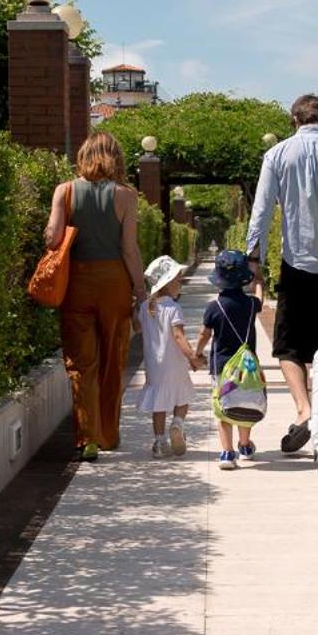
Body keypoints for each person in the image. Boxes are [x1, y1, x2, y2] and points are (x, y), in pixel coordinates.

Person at [246, 92, 318, 453]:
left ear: (294, 121)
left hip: (296, 262)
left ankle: (304, 410)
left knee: (289, 344)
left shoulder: (277, 154)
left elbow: (262, 209)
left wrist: (254, 260)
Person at [44, 132, 147, 460]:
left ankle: (86, 436)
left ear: (84, 155)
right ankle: (108, 434)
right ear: (116, 158)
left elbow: (52, 238)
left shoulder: (65, 191)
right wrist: (141, 291)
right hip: (114, 281)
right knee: (113, 359)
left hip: (77, 281)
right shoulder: (126, 196)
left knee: (81, 362)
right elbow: (129, 249)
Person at [195, 248, 264, 468]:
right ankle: (244, 445)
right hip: (247, 368)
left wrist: (198, 351)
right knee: (245, 403)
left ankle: (227, 452)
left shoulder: (213, 308)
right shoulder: (251, 305)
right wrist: (259, 282)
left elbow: (204, 334)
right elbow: (259, 298)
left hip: (222, 368)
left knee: (222, 407)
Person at [137, 255, 198, 457]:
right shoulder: (173, 308)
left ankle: (160, 442)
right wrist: (192, 357)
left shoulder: (145, 308)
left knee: (158, 404)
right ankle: (178, 425)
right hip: (175, 364)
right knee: (183, 397)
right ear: (167, 283)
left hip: (154, 365)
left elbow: (136, 326)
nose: (180, 284)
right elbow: (179, 337)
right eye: (177, 280)